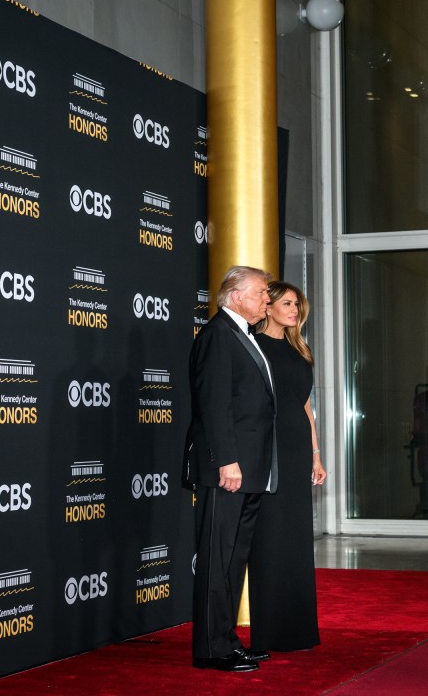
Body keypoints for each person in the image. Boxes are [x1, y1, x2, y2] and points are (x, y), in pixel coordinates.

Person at [182, 266, 277, 673]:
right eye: (261, 293)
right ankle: (210, 650)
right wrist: (227, 460)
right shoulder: (218, 336)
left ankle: (226, 642)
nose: (267, 300)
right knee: (216, 560)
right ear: (236, 296)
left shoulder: (243, 335)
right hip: (228, 469)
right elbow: (214, 404)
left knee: (234, 559)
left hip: (250, 468)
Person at [247, 281, 327, 654]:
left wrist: (316, 454)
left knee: (296, 538)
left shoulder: (300, 350)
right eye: (287, 303)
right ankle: (270, 631)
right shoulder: (252, 346)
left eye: (297, 304)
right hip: (268, 448)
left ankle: (298, 629)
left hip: (296, 450)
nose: (295, 310)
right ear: (268, 307)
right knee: (270, 535)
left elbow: (305, 407)